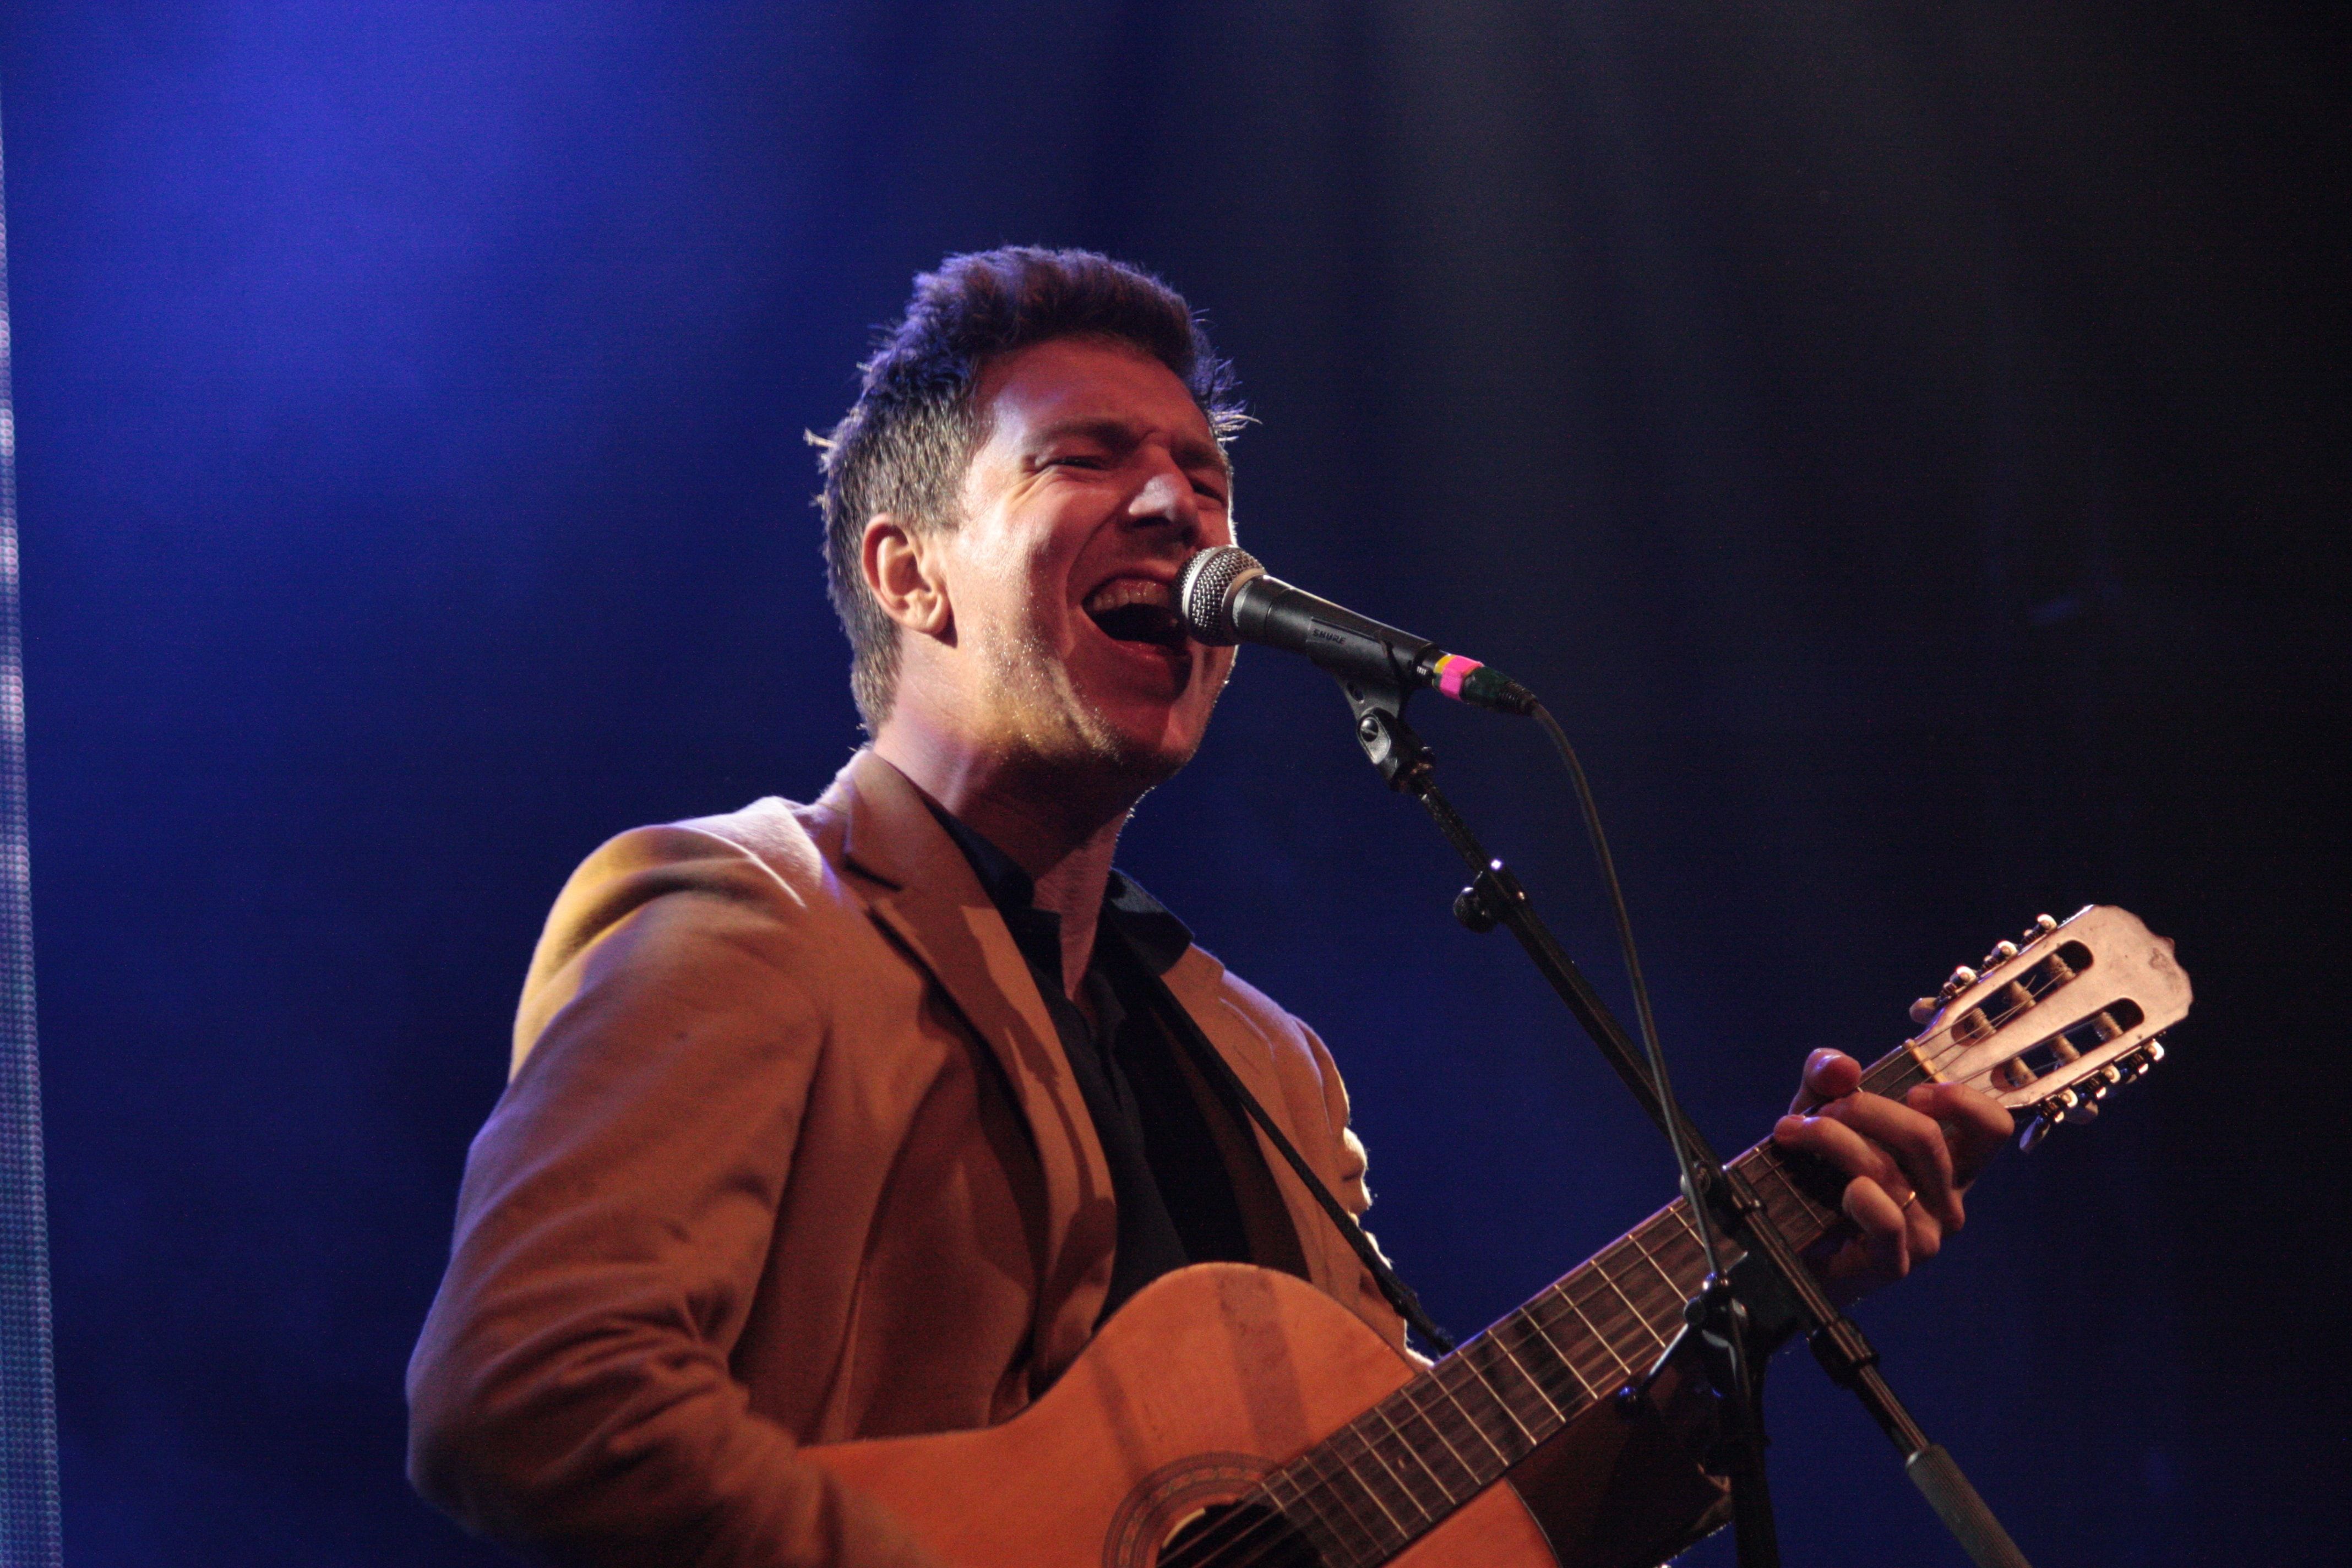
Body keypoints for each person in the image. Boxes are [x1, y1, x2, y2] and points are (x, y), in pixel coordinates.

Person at [407, 247, 2012, 1567]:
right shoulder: (745, 913)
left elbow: (1435, 1530)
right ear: (910, 575)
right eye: (1086, 458)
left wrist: (1731, 1344)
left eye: (1204, 474)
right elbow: (532, 1389)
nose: (1180, 507)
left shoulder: (1266, 1068)